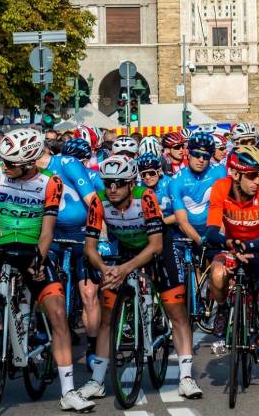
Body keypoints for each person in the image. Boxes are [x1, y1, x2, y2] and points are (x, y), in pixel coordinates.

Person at [0, 129, 95, 412]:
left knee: (56, 313)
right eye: (3, 160)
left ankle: (68, 391)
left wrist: (39, 261)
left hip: (33, 250)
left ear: (30, 162)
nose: (4, 166)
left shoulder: (50, 183)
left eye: (11, 163)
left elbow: (47, 231)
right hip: (0, 246)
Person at [78, 155, 203, 402]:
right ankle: (97, 381)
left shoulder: (145, 197)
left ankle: (186, 377)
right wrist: (106, 270)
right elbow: (90, 248)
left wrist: (125, 269)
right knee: (106, 316)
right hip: (125, 249)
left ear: (130, 182)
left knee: (175, 311)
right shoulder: (99, 202)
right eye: (108, 183)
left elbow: (156, 246)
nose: (112, 189)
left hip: (156, 249)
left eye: (119, 183)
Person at [204, 146, 259, 400]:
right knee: (217, 274)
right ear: (236, 175)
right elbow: (210, 231)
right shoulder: (221, 188)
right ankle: (221, 308)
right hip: (231, 248)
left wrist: (249, 245)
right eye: (251, 175)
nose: (257, 180)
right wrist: (230, 244)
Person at [46, 137, 105, 371]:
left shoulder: (92, 176)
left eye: (82, 159)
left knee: (89, 293)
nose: (78, 163)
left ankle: (93, 347)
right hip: (54, 234)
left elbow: (102, 203)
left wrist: (102, 236)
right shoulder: (51, 168)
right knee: (46, 286)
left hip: (82, 236)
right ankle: (43, 333)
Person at [169, 131, 227, 245]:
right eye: (196, 154)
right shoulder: (176, 181)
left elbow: (224, 210)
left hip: (215, 230)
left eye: (206, 156)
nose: (201, 160)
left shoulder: (219, 171)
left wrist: (220, 238)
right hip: (187, 234)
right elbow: (182, 221)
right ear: (189, 154)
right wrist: (201, 242)